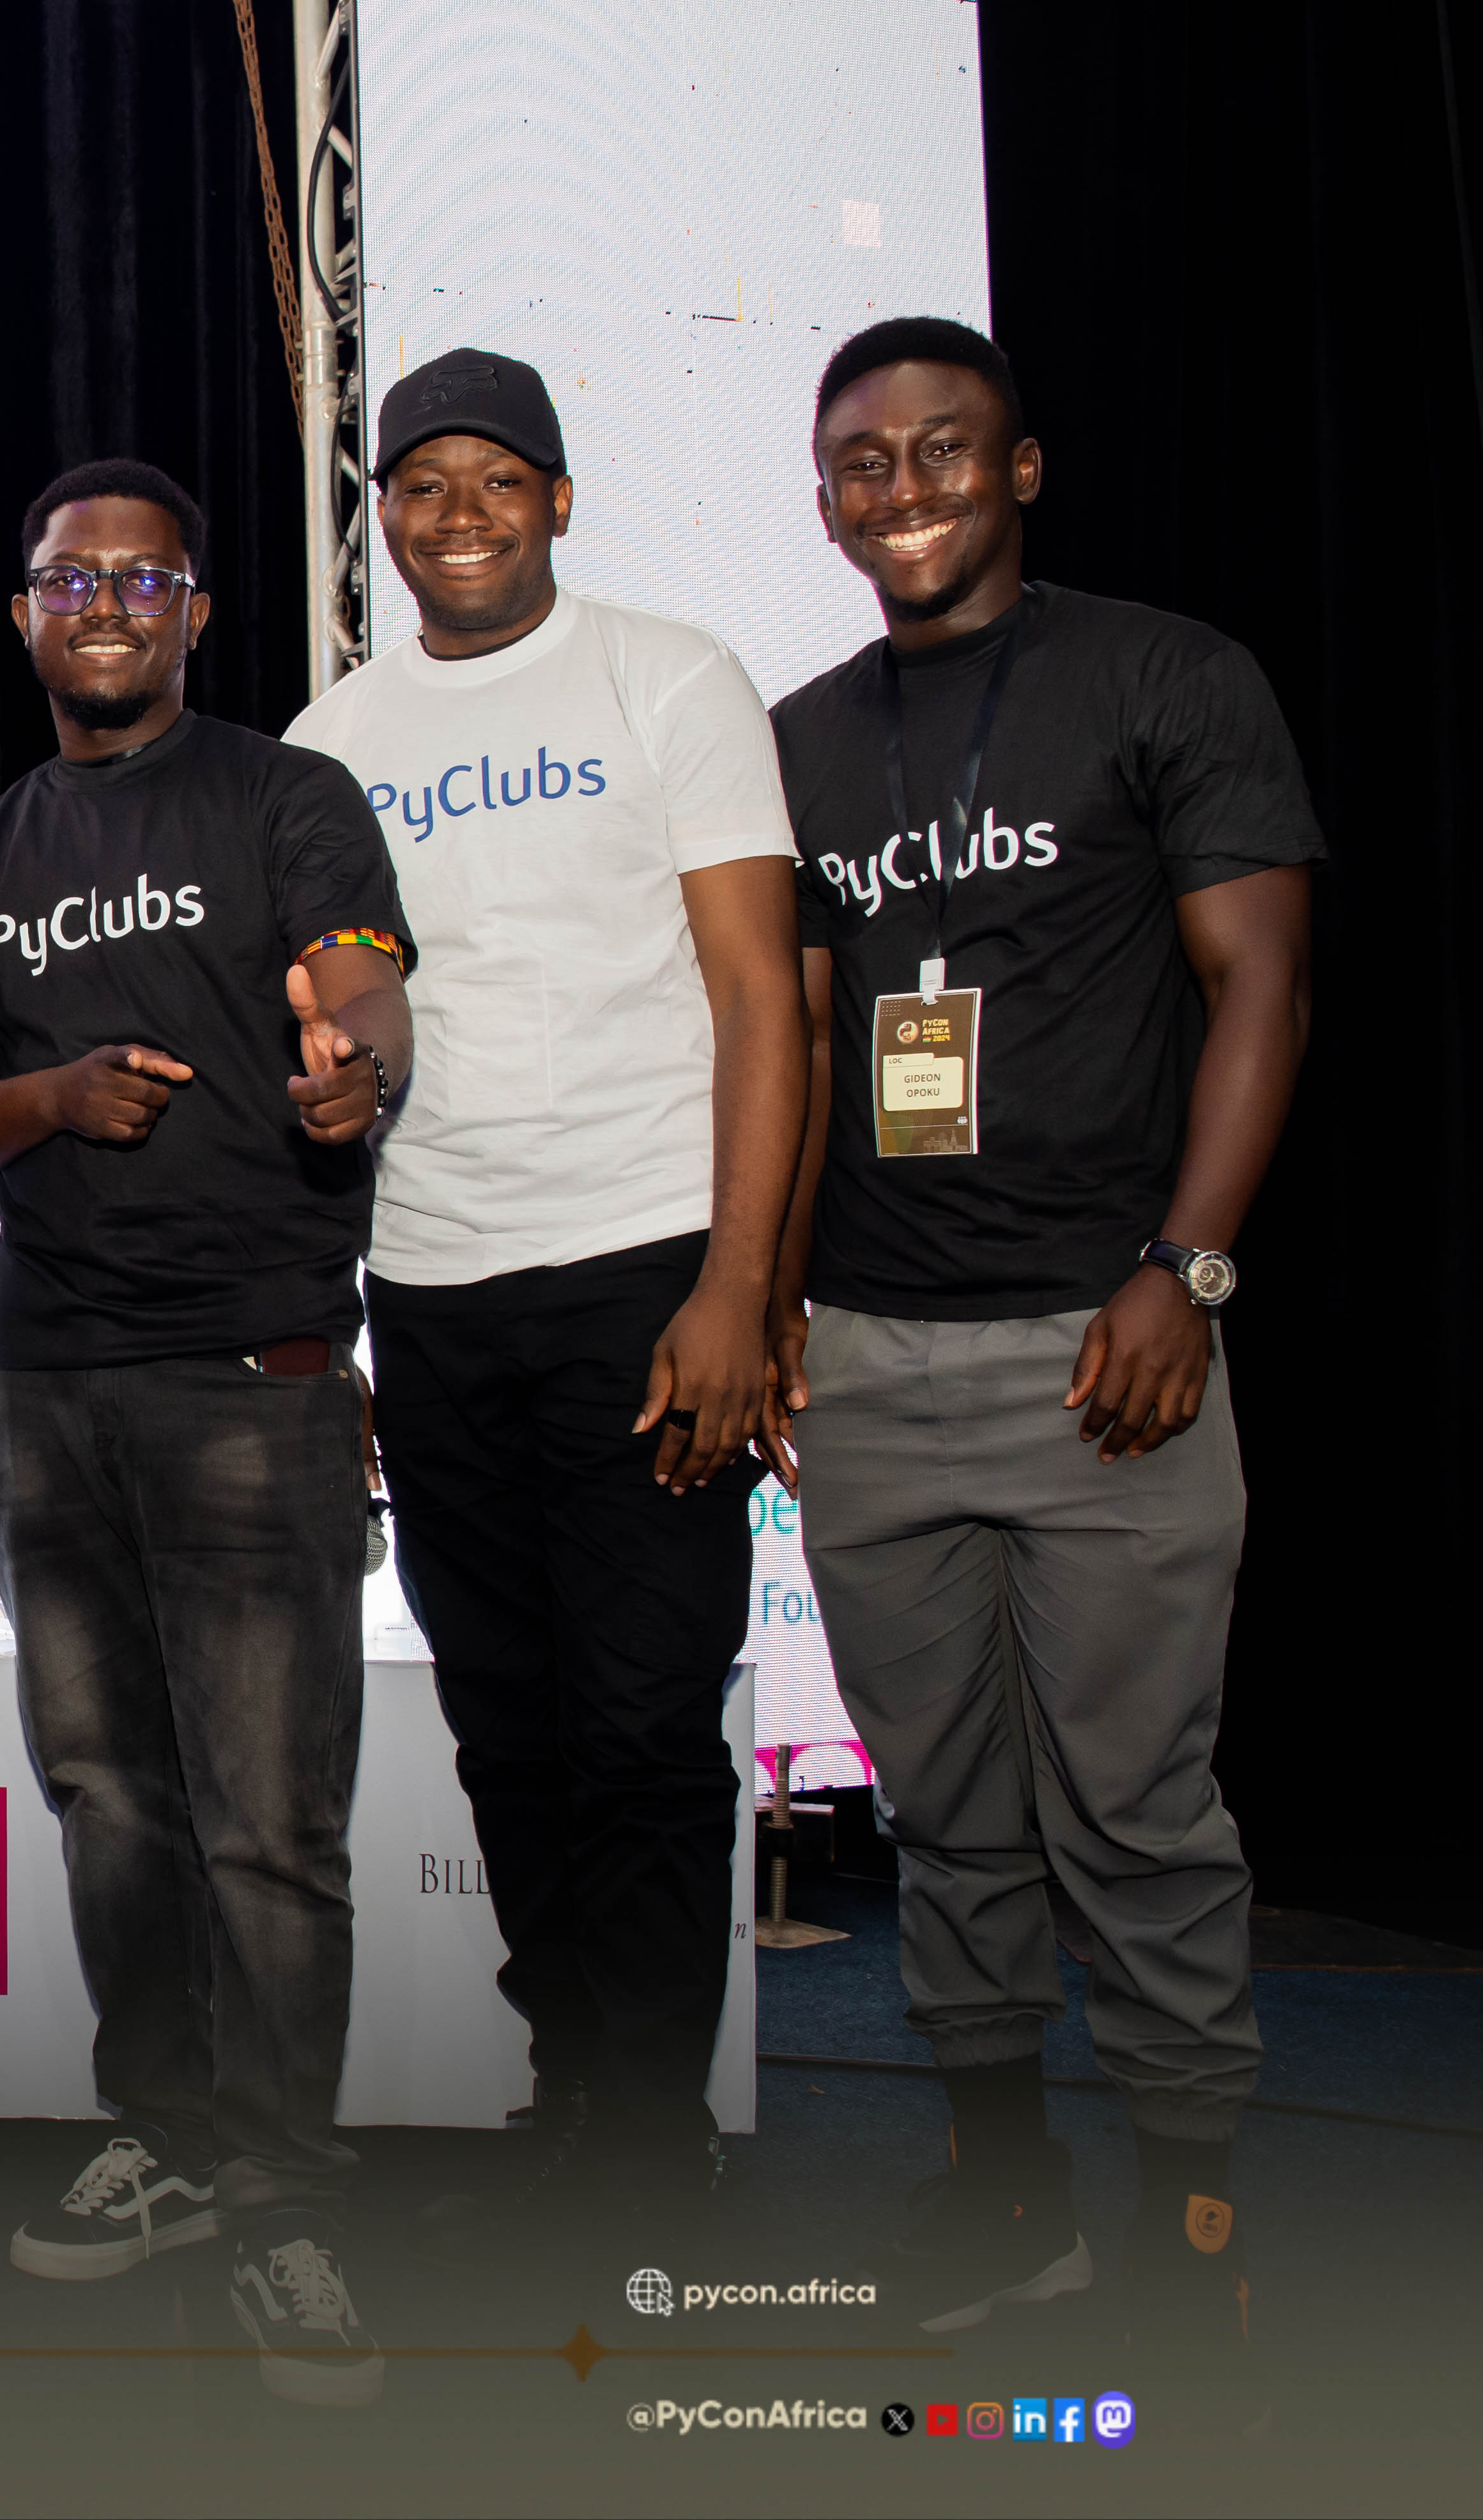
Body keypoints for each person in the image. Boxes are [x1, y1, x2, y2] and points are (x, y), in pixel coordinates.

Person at [766, 318, 1318, 2365]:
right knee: (946, 1809)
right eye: (855, 461)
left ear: (1017, 469)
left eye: (936, 450)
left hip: (1109, 1353)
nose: (895, 488)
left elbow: (1256, 980)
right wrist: (766, 1309)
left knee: (1137, 1807)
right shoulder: (801, 740)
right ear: (822, 494)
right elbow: (800, 1055)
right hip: (876, 1363)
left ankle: (1191, 2229)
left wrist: (1187, 1270)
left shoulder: (1165, 676)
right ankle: (999, 2194)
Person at [282, 350, 805, 2249]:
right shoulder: (327, 738)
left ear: (560, 501)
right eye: (419, 484)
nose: (458, 515)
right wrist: (339, 1321)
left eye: (497, 479)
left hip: (649, 1267)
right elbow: (340, 1036)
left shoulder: (667, 678)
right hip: (430, 1284)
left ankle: (650, 2127)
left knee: (646, 1720)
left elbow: (762, 999)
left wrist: (740, 1285)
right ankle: (566, 2077)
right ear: (384, 518)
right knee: (504, 1721)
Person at [0, 461, 415, 2404]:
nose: (106, 600)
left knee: (270, 1828)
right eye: (70, 575)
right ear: (24, 614)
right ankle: (167, 2135)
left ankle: (288, 2197)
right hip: (50, 1389)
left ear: (196, 610)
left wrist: (346, 1071)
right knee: (106, 1801)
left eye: (142, 575)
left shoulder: (289, 797)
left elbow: (363, 994)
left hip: (252, 1383)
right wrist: (42, 1104)